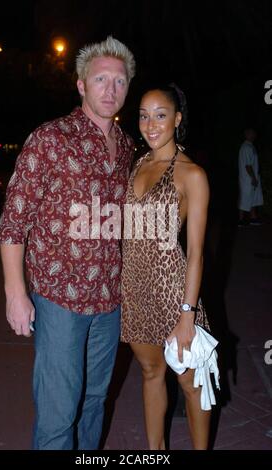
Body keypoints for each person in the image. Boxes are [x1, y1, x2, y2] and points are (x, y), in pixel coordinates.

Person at [0, 36, 135, 450]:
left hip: (109, 300)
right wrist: (15, 293)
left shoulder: (127, 147)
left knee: (94, 402)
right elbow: (13, 221)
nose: (111, 90)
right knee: (59, 413)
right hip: (60, 301)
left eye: (120, 81)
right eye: (101, 80)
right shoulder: (50, 139)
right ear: (81, 85)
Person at [121, 84, 212, 450]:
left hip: (174, 292)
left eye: (160, 115)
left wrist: (187, 314)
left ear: (176, 119)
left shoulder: (192, 174)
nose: (150, 124)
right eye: (144, 115)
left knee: (191, 383)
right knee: (150, 372)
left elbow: (196, 251)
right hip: (136, 289)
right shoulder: (137, 163)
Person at [238, 128, 263, 226]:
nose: (254, 135)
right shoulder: (246, 147)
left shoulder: (250, 146)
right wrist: (253, 178)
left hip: (250, 178)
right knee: (244, 198)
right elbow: (248, 166)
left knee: (252, 198)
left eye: (254, 133)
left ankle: (253, 218)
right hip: (247, 179)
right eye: (252, 133)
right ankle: (240, 220)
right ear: (247, 134)